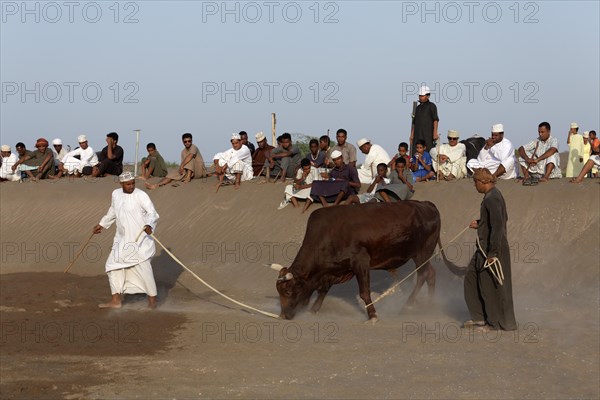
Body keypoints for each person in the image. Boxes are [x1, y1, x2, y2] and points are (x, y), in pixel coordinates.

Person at [93, 172, 159, 309]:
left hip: (139, 241)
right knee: (112, 265)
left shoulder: (141, 195)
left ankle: (152, 302)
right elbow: (113, 210)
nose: (131, 186)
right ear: (121, 184)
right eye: (128, 184)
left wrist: (149, 225)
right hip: (122, 240)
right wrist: (102, 224)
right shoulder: (116, 194)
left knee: (144, 270)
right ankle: (116, 301)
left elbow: (152, 212)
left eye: (133, 183)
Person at [463, 168, 517, 332]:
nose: (474, 186)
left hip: (491, 249)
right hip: (484, 247)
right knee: (471, 278)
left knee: (490, 286)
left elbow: (499, 226)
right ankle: (479, 318)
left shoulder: (491, 198)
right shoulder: (493, 195)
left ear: (482, 181)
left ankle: (493, 323)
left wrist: (493, 253)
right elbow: (496, 220)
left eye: (475, 182)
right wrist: (480, 223)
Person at [410, 86, 439, 154]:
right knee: (415, 151)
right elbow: (414, 123)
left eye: (422, 96)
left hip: (427, 134)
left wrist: (435, 132)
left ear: (428, 96)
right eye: (420, 95)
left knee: (428, 150)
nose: (420, 97)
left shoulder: (432, 106)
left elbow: (435, 119)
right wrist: (412, 135)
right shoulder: (417, 108)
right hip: (417, 134)